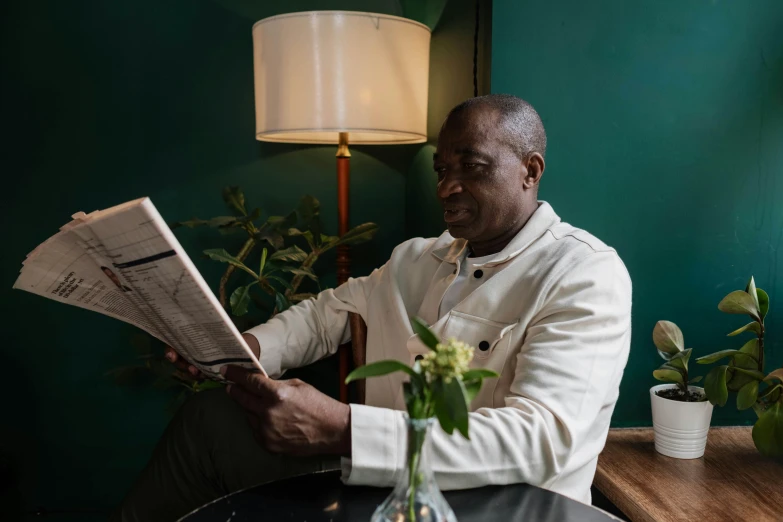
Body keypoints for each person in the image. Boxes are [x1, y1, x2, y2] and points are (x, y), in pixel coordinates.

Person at [112, 94, 632, 522]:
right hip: (384, 491)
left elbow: (544, 437)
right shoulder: (415, 258)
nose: (447, 187)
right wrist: (243, 347)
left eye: (471, 167)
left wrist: (345, 429)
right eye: (442, 169)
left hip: (502, 510)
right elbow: (325, 314)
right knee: (211, 418)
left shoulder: (584, 274)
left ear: (530, 170)